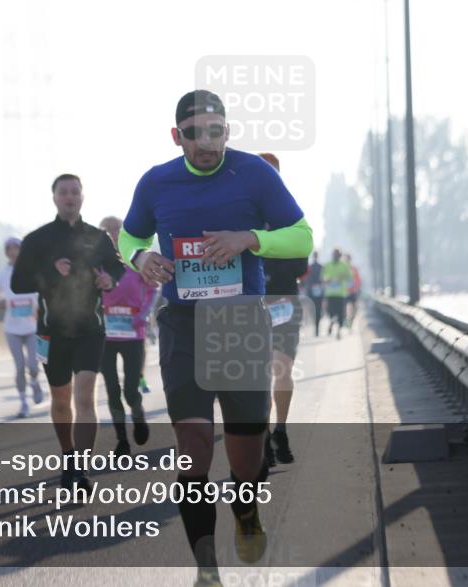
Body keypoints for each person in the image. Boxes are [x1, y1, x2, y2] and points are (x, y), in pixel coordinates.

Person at [119, 90, 313, 587]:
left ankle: (245, 510)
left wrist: (249, 239)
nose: (206, 142)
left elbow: (302, 235)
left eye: (216, 131)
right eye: (194, 133)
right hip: (183, 324)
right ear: (176, 136)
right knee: (195, 442)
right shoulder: (157, 181)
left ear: (228, 131)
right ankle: (206, 569)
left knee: (247, 451)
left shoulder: (253, 173)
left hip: (240, 323)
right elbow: (129, 235)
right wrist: (141, 259)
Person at [10, 175, 125, 492]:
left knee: (85, 395)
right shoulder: (37, 240)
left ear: (82, 197)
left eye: (75, 191)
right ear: (54, 198)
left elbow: (117, 267)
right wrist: (50, 272)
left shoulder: (97, 237)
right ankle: (68, 456)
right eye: (64, 192)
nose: (70, 197)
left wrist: (109, 280)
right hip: (51, 331)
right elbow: (18, 283)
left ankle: (81, 469)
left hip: (90, 327)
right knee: (61, 401)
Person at [257, 153, 308, 467]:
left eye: (272, 175)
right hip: (248, 303)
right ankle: (262, 438)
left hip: (284, 301)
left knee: (281, 367)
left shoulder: (290, 216)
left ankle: (281, 429)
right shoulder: (240, 216)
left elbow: (301, 262)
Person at [97, 216, 156, 457]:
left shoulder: (135, 261)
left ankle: (138, 415)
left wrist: (143, 313)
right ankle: (122, 440)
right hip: (105, 337)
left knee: (131, 390)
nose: (111, 235)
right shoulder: (97, 264)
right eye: (107, 231)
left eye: (116, 230)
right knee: (112, 389)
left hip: (133, 333)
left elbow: (152, 289)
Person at [0, 237, 43, 418]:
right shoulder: (3, 274)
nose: (13, 252)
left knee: (33, 366)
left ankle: (34, 382)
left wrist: (38, 303)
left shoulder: (31, 270)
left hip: (32, 327)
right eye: (9, 249)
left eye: (16, 248)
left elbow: (42, 291)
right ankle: (23, 403)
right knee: (19, 367)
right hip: (12, 329)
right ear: (6, 252)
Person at [322, 248, 352, 340]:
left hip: (341, 294)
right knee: (330, 312)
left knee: (340, 314)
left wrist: (342, 277)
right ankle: (331, 323)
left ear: (340, 256)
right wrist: (327, 280)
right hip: (330, 294)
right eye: (334, 255)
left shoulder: (344, 265)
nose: (336, 256)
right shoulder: (327, 265)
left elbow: (349, 277)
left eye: (337, 255)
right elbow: (323, 277)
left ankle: (338, 331)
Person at [303, 252, 325, 337]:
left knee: (313, 309)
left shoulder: (310, 267)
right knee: (317, 309)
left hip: (312, 291)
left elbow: (306, 279)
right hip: (316, 290)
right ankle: (316, 325)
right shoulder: (320, 267)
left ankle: (316, 325)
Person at [345, 253, 362, 328]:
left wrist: (357, 287)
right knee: (345, 308)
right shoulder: (343, 268)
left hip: (353, 291)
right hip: (344, 292)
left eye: (348, 259)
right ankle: (346, 321)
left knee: (355, 309)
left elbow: (358, 280)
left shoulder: (354, 268)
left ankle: (351, 320)